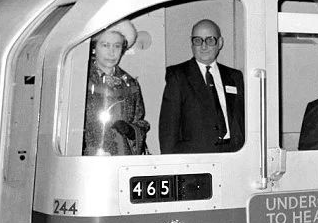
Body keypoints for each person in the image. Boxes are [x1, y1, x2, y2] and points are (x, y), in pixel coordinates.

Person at [158, 19, 244, 153]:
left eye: (210, 40)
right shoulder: (178, 76)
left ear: (220, 43)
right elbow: (168, 132)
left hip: (233, 157)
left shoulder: (235, 77)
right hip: (196, 162)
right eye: (198, 40)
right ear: (191, 44)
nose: (204, 46)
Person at [83, 19, 150, 156]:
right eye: (105, 45)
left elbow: (140, 122)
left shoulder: (131, 84)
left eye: (117, 46)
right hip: (89, 162)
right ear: (94, 48)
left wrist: (131, 130)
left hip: (123, 161)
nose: (112, 52)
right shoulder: (81, 80)